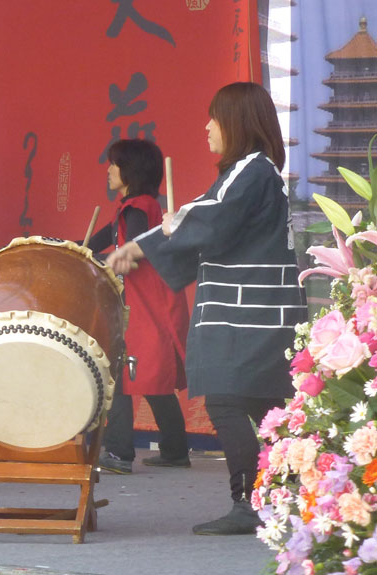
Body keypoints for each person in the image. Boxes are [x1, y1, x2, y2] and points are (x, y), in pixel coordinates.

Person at [106, 82, 306, 535]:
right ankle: (285, 494)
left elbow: (208, 216)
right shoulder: (255, 171)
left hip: (248, 316)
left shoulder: (252, 170)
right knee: (266, 408)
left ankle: (251, 502)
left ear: (236, 121)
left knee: (227, 400)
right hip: (256, 312)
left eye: (214, 117)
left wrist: (140, 247)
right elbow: (204, 214)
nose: (207, 127)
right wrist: (150, 241)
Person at [87, 138, 191, 476]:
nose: (108, 170)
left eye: (114, 163)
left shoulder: (138, 207)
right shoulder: (135, 206)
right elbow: (92, 244)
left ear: (130, 169)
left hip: (145, 304)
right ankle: (175, 451)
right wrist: (59, 246)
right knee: (152, 379)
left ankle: (118, 452)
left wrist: (89, 256)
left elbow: (129, 252)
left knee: (120, 373)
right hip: (151, 302)